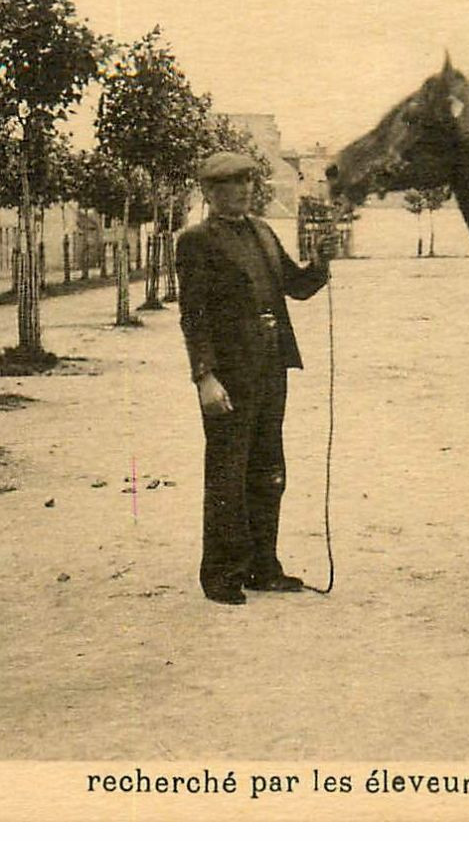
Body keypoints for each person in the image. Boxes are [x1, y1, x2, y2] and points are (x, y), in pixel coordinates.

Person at [176, 152, 329, 605]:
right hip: (230, 375)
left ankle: (265, 566)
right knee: (227, 472)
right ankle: (222, 574)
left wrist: (320, 265)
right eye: (228, 184)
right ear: (208, 192)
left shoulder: (263, 231)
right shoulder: (196, 241)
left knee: (268, 469)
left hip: (271, 365)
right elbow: (194, 316)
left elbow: (296, 286)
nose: (242, 191)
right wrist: (204, 377)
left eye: (246, 182)